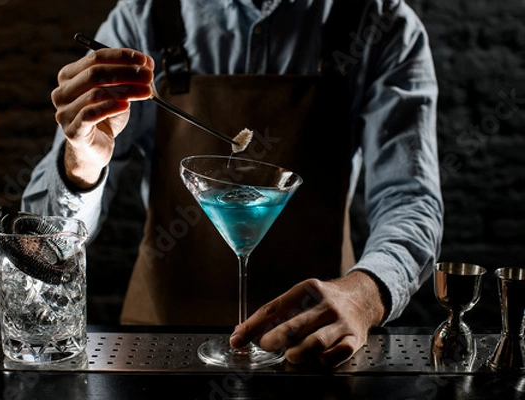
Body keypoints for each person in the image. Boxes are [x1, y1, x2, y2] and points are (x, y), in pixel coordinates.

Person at [22, 0, 443, 367]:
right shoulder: (145, 17)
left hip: (313, 346)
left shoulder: (380, 20)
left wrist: (363, 295)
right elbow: (46, 250)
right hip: (163, 351)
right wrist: (82, 162)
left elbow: (410, 200)